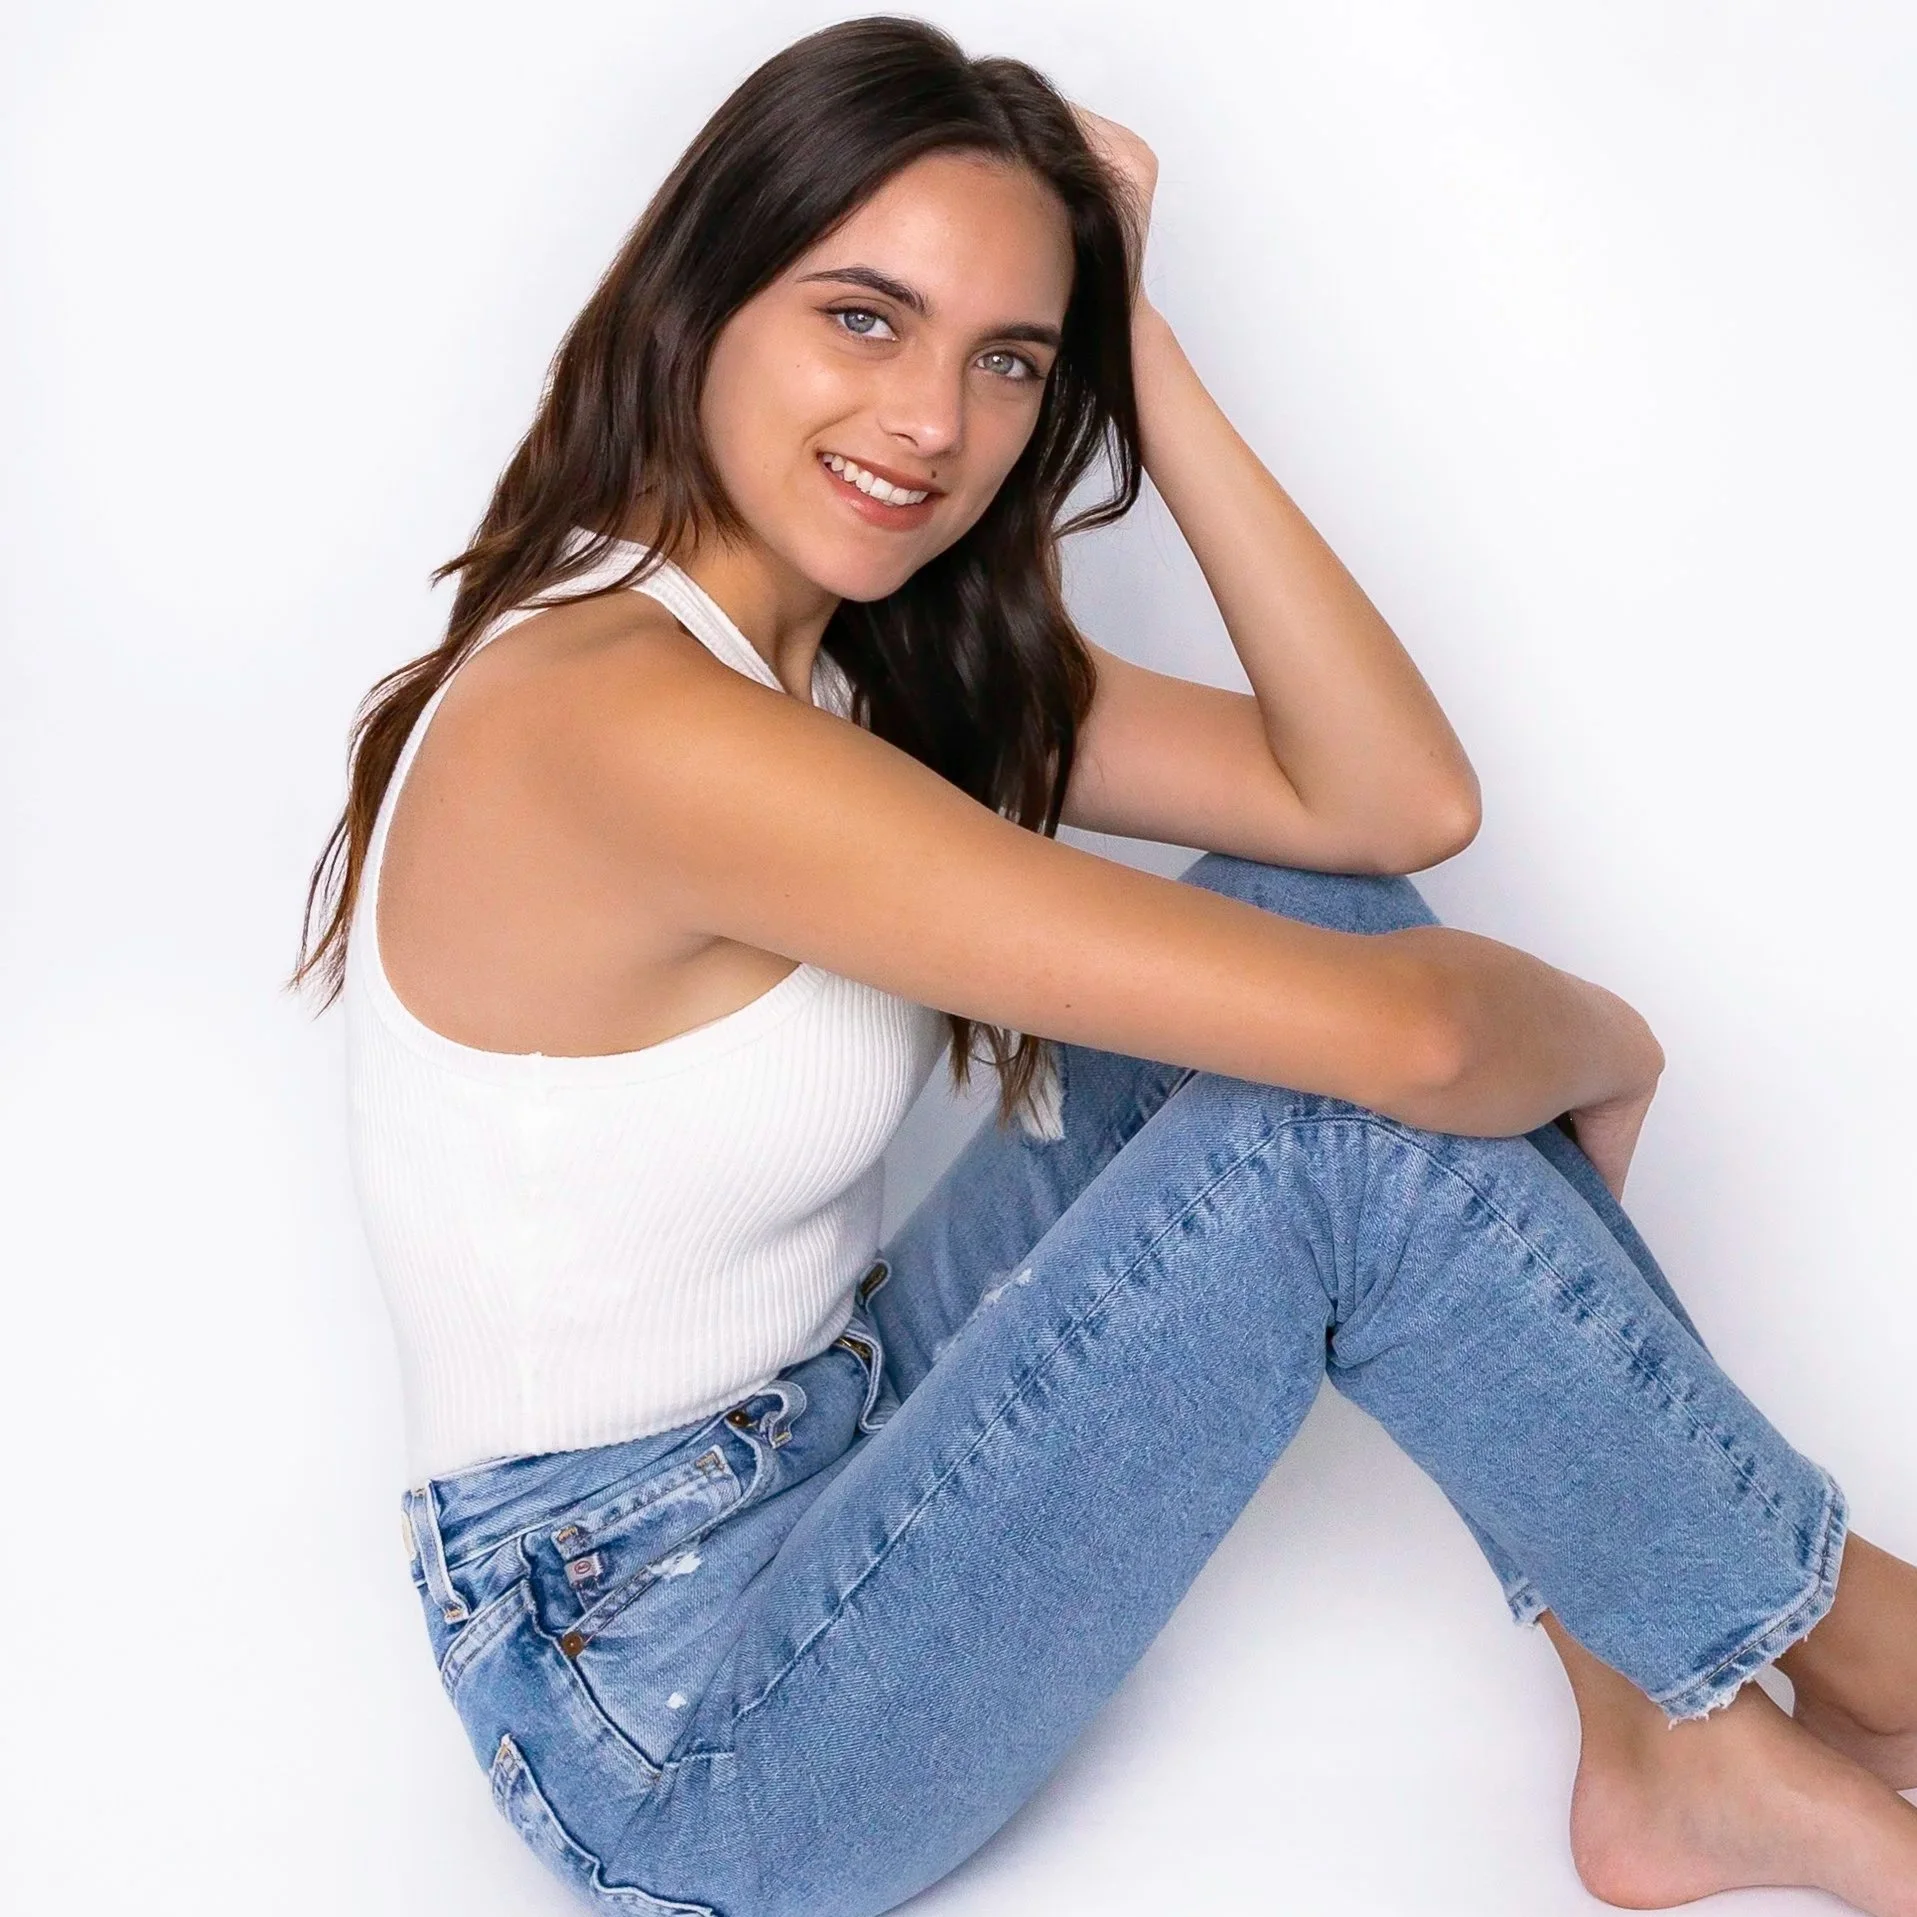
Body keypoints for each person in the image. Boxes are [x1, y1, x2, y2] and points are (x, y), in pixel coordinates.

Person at [294, 17, 1917, 1916]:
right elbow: (1414, 1049)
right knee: (1345, 1114)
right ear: (701, 296)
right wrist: (1609, 1037)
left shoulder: (852, 659)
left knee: (1308, 917)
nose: (932, 422)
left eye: (1009, 360)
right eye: (865, 319)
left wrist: (1135, 332)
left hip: (835, 1421)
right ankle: (1861, 1644)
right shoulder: (623, 722)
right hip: (674, 1723)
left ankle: (1671, 1736)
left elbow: (1388, 800)